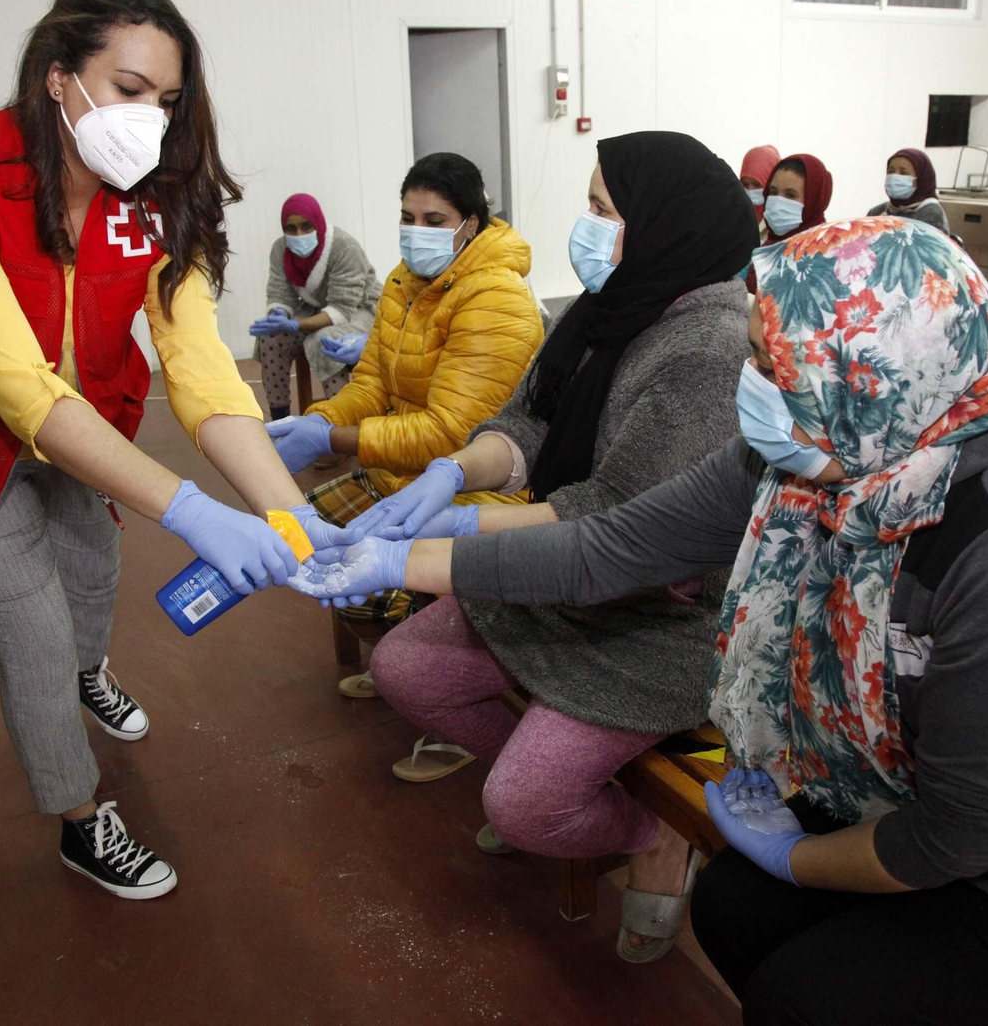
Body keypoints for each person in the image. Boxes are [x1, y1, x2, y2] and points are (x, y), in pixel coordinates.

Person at [292, 216, 988, 1022]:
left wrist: (799, 854)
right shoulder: (811, 456)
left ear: (869, 369)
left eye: (774, 363)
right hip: (918, 805)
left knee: (810, 997)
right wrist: (393, 560)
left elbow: (962, 836)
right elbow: (605, 548)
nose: (752, 385)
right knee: (734, 910)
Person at [0, 0, 349, 900]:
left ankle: (91, 674)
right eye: (129, 91)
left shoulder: (153, 195)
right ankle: (81, 821)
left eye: (167, 102)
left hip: (89, 429)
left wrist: (292, 515)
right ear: (58, 75)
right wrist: (197, 512)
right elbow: (22, 396)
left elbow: (201, 366)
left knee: (91, 575)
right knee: (37, 635)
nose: (151, 120)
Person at [340, 131, 755, 962]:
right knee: (406, 668)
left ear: (664, 224)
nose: (586, 226)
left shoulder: (704, 349)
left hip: (651, 619)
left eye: (604, 209)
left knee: (524, 806)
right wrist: (451, 475)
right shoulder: (608, 307)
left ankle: (652, 837)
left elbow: (612, 528)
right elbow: (530, 419)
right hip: (563, 573)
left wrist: (444, 533)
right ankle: (582, 802)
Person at [265, 152, 543, 650]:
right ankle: (404, 655)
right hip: (400, 472)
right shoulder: (403, 281)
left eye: (434, 221)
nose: (417, 232)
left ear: (470, 224)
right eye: (407, 218)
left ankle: (419, 660)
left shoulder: (496, 297)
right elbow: (371, 381)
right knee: (293, 537)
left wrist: (332, 438)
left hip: (460, 486)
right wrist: (319, 420)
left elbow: (449, 434)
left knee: (371, 596)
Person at [249, 193, 380, 422]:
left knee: (325, 341)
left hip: (360, 307)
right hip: (316, 308)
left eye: (306, 226)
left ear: (318, 223)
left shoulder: (344, 246)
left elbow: (342, 307)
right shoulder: (281, 249)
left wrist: (297, 324)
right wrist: (278, 315)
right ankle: (281, 422)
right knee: (272, 337)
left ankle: (341, 422)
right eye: (291, 228)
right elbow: (280, 292)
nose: (299, 234)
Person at [744, 153, 831, 291]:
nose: (778, 201)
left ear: (814, 200)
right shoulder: (765, 250)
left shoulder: (827, 256)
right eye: (773, 192)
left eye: (790, 195)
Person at [865, 147, 949, 234]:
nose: (894, 176)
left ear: (921, 179)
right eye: (891, 171)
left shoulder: (931, 213)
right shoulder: (877, 212)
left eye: (903, 173)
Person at [739, 143, 780, 243]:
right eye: (745, 184)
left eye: (757, 184)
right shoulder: (738, 213)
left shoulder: (784, 217)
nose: (751, 190)